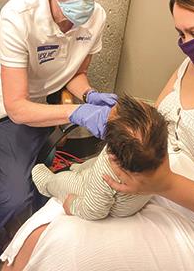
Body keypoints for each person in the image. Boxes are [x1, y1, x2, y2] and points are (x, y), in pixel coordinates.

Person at [1, 0, 194, 271]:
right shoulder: (190, 65)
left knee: (66, 238)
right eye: (181, 34)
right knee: (45, 226)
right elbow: (158, 124)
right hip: (148, 189)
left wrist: (165, 184)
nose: (188, 44)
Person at [0, 0, 117, 268]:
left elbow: (76, 73)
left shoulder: (97, 17)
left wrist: (90, 96)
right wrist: (75, 114)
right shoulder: (20, 14)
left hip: (26, 113)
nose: (82, 0)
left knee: (13, 198)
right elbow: (15, 106)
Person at [31, 94, 167, 219]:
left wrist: (73, 205)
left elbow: (93, 210)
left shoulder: (106, 171)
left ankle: (45, 181)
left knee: (61, 181)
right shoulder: (157, 153)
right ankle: (77, 169)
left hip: (100, 197)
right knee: (89, 166)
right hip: (127, 199)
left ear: (112, 155)